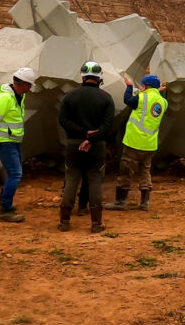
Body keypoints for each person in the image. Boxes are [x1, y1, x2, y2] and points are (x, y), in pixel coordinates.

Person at [57, 61, 115, 233]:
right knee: (95, 181)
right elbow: (108, 124)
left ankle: (64, 221)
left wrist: (82, 133)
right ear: (99, 78)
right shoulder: (106, 98)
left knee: (71, 179)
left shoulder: (70, 96)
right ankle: (96, 223)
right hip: (96, 147)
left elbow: (63, 120)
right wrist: (91, 138)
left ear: (82, 77)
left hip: (74, 145)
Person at [0, 67, 36, 223]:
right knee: (15, 174)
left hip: (13, 141)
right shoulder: (5, 98)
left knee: (16, 172)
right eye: (29, 85)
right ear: (22, 83)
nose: (30, 88)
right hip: (3, 142)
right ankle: (5, 210)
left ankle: (3, 198)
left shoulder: (18, 96)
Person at [106, 74, 168, 211]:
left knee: (126, 171)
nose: (141, 88)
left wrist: (129, 86)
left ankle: (120, 202)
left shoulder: (142, 98)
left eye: (143, 85)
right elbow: (158, 99)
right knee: (145, 171)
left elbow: (127, 100)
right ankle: (145, 203)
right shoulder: (163, 102)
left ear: (148, 86)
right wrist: (160, 91)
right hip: (150, 144)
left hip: (134, 142)